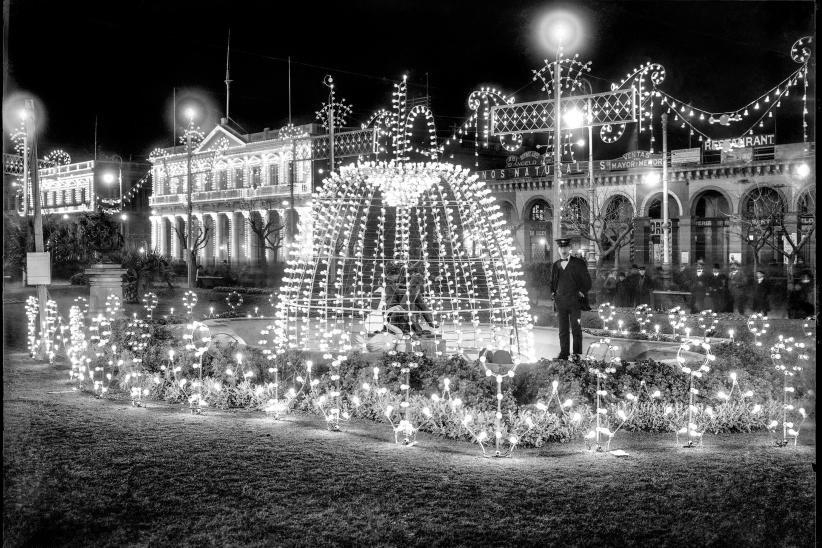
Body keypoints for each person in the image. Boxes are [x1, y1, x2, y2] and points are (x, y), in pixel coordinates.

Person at [549, 238, 592, 361]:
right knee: (563, 330)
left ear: (569, 249)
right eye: (561, 248)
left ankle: (576, 353)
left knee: (576, 328)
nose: (563, 250)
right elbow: (552, 282)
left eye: (565, 247)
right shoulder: (556, 265)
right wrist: (553, 294)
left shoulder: (579, 263)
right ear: (558, 249)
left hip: (574, 302)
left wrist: (582, 292)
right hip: (561, 302)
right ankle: (564, 353)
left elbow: (587, 282)